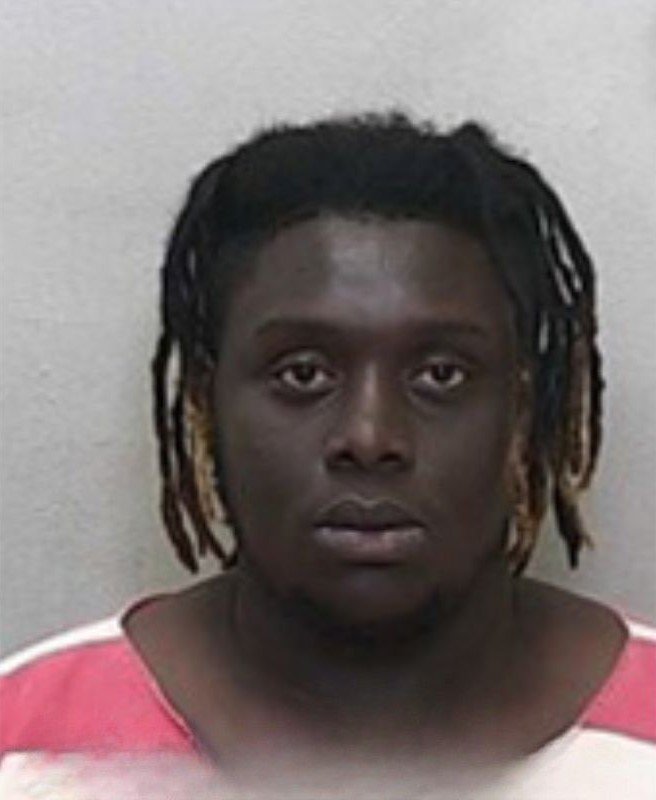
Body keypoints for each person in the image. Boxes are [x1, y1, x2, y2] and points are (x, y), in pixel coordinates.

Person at [1, 113, 654, 798]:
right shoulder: (24, 749)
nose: (370, 438)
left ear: (522, 409)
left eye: (441, 374)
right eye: (303, 373)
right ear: (203, 404)